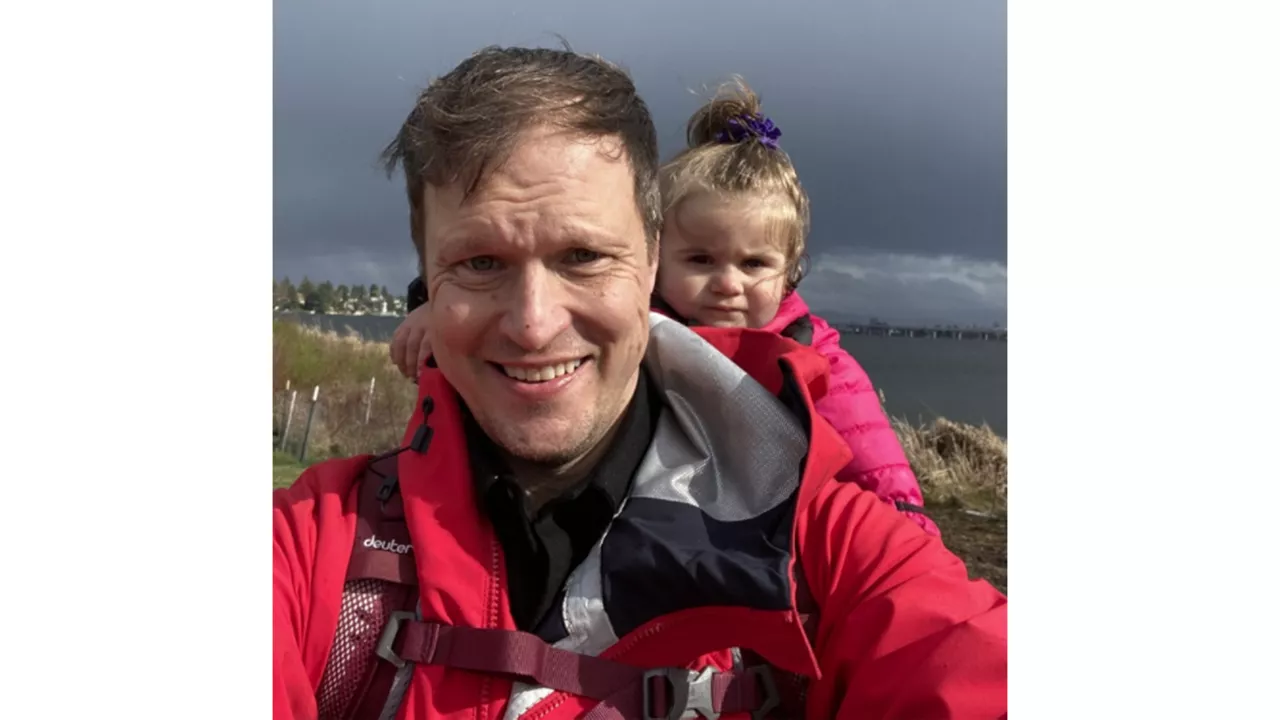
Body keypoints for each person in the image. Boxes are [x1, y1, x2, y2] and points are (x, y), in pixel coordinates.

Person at [275, 45, 1007, 720]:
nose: (533, 324)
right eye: (480, 263)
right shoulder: (318, 555)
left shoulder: (820, 547)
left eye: (584, 255)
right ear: (425, 274)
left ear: (652, 261)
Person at [390, 78, 939, 535]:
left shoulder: (816, 359)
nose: (727, 284)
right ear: (656, 258)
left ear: (790, 269)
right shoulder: (635, 319)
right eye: (701, 259)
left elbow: (873, 454)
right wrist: (431, 309)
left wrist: (905, 526)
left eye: (753, 265)